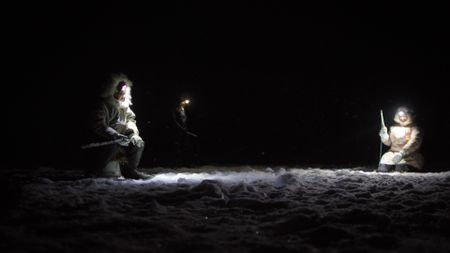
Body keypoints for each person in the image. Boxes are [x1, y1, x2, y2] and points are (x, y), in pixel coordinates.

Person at [84, 73, 150, 179]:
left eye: (125, 90)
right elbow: (98, 124)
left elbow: (131, 120)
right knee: (113, 145)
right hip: (104, 140)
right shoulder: (103, 105)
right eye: (121, 90)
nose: (123, 93)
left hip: (121, 139)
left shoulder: (125, 107)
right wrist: (115, 135)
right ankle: (94, 172)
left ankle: (130, 170)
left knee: (138, 142)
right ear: (114, 89)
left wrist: (131, 133)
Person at [378, 106, 424, 172]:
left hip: (409, 155)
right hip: (392, 153)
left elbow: (414, 142)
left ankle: (403, 168)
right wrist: (384, 135)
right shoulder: (393, 128)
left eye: (405, 116)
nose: (402, 118)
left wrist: (401, 153)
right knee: (383, 168)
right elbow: (388, 143)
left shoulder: (415, 129)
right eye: (401, 116)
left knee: (401, 167)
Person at [172, 97, 197, 166]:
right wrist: (181, 128)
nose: (185, 104)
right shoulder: (176, 109)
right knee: (178, 145)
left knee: (187, 145)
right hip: (179, 130)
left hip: (185, 129)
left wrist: (185, 128)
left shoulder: (184, 109)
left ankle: (187, 162)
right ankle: (178, 162)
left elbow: (184, 120)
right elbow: (175, 121)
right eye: (183, 102)